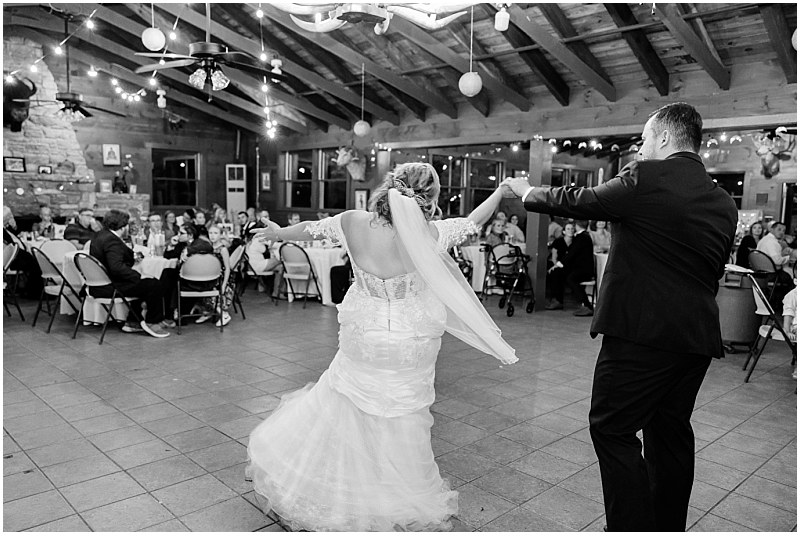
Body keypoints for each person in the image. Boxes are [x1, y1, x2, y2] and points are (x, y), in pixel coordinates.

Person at [503, 102, 737, 531]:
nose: (642, 148)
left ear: (664, 137)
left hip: (640, 336)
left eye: (646, 139)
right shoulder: (722, 200)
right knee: (670, 436)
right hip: (696, 338)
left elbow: (582, 201)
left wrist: (527, 191)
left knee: (611, 430)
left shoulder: (647, 177)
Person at [246, 162, 517, 532]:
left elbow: (311, 230)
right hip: (411, 342)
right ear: (431, 198)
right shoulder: (431, 234)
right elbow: (473, 221)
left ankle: (343, 483)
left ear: (389, 187)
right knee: (405, 418)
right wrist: (501, 192)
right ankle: (395, 490)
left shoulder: (352, 221)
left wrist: (278, 232)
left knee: (345, 403)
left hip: (365, 335)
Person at [89, 209, 170, 338]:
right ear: (122, 226)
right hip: (110, 286)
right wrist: (139, 276)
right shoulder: (112, 241)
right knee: (154, 284)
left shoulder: (99, 236)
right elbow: (116, 267)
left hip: (98, 284)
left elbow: (112, 258)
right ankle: (152, 322)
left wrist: (133, 258)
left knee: (142, 284)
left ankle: (133, 321)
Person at [196, 225, 233, 327]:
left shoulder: (223, 249)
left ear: (220, 235)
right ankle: (207, 311)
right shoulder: (208, 247)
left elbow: (227, 268)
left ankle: (224, 314)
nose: (212, 236)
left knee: (211, 289)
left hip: (222, 278)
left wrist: (224, 285)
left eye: (215, 233)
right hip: (211, 277)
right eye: (211, 233)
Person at [545, 221, 574, 310]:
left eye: (572, 229)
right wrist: (556, 266)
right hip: (558, 265)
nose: (571, 230)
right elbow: (554, 258)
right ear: (564, 231)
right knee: (555, 273)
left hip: (571, 266)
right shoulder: (558, 242)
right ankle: (558, 300)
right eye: (568, 229)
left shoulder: (576, 242)